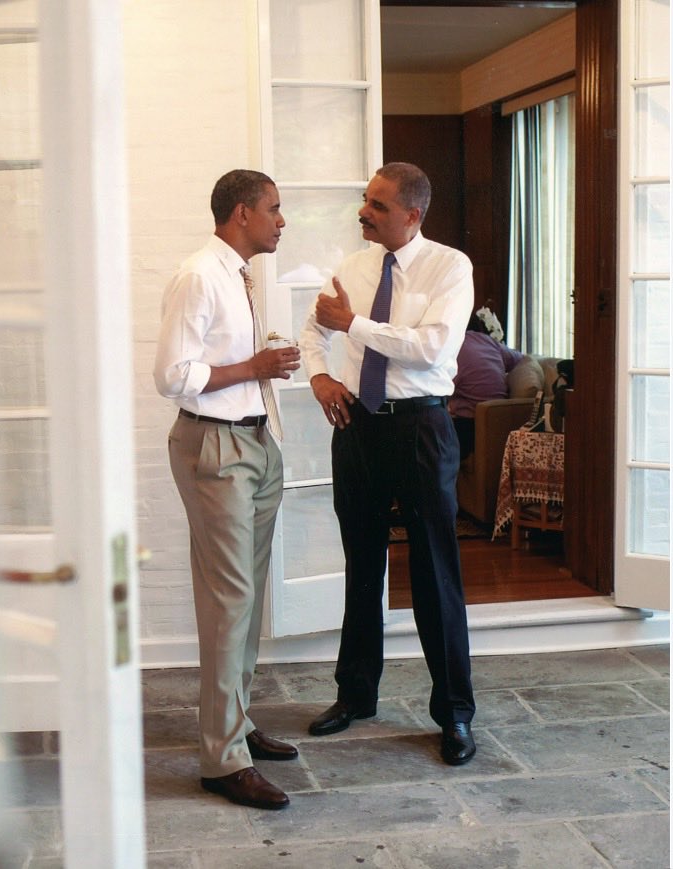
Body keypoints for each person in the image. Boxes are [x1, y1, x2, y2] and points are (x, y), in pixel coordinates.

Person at [297, 162, 477, 766]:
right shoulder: (352, 267)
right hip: (358, 426)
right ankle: (355, 695)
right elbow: (312, 331)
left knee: (435, 572)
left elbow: (432, 348)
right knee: (361, 563)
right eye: (365, 200)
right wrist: (319, 376)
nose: (363, 212)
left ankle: (454, 713)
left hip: (422, 427)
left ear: (412, 214)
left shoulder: (449, 267)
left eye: (377, 204)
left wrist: (354, 324)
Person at [153, 169, 302, 810]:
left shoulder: (239, 274)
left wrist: (261, 371)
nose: (281, 220)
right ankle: (222, 759)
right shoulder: (199, 275)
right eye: (274, 208)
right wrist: (253, 367)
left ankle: (234, 724)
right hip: (215, 446)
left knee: (247, 595)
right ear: (242, 213)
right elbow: (172, 375)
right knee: (229, 600)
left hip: (254, 442)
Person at [449, 311, 525, 460]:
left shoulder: (455, 346)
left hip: (470, 425)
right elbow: (519, 358)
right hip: (499, 420)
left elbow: (441, 389)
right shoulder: (488, 341)